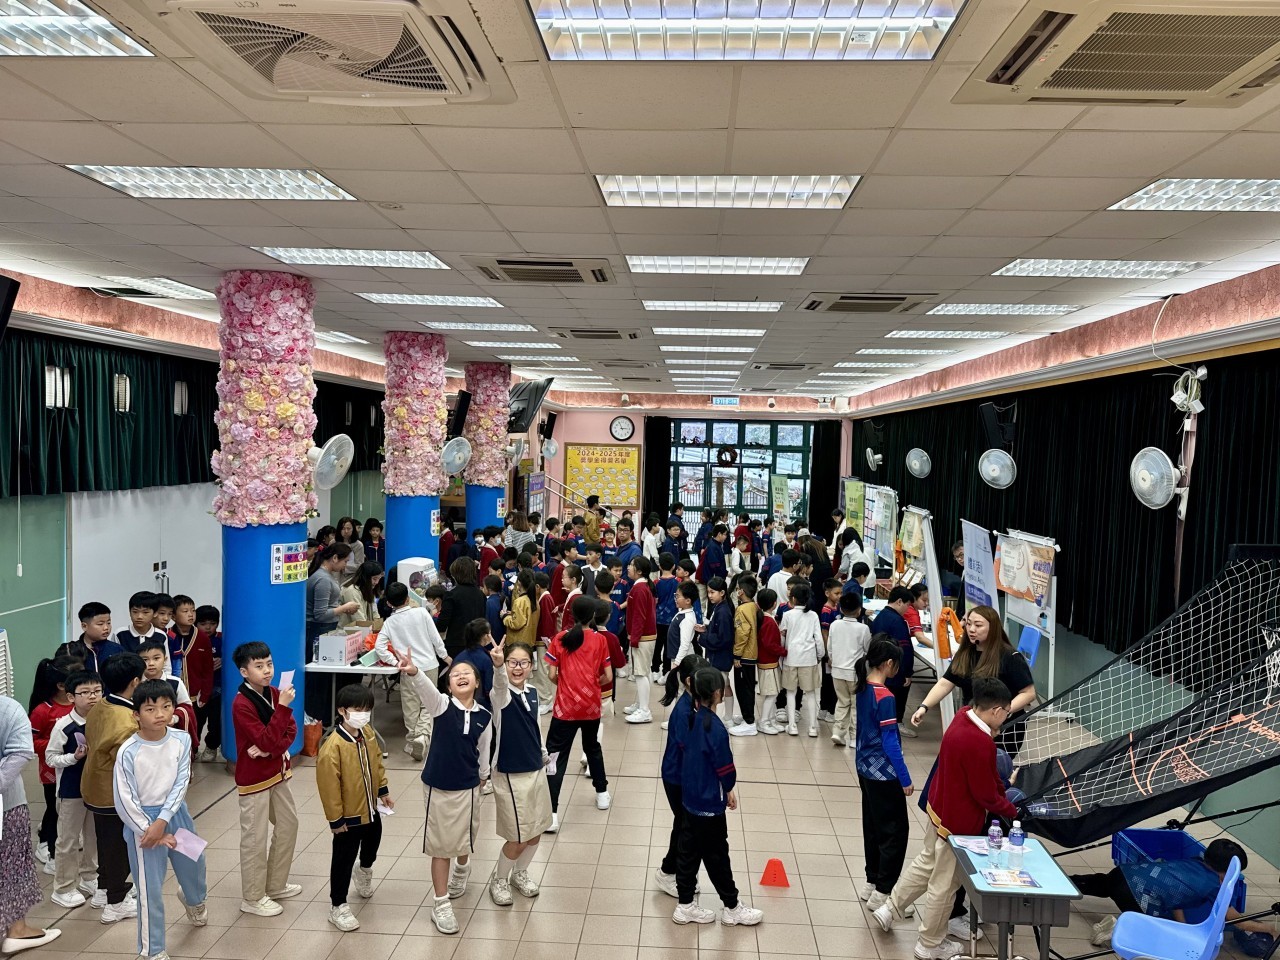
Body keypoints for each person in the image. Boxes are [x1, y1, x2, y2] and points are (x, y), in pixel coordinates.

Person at [872, 678, 1019, 960]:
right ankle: (929, 944)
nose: (1006, 718)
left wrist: (1000, 789)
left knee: (926, 862)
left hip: (939, 808)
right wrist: (1011, 808)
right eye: (1006, 713)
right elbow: (985, 795)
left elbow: (986, 777)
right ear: (996, 710)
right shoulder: (980, 742)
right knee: (945, 884)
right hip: (957, 824)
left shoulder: (962, 716)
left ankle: (890, 908)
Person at [397, 652, 493, 936]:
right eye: (455, 674)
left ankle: (462, 870)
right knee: (440, 847)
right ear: (449, 685)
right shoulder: (440, 705)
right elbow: (425, 688)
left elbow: (484, 750)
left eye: (466, 673)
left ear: (477, 682)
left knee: (464, 837)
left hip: (469, 787)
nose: (461, 676)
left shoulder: (485, 716)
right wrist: (414, 671)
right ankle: (441, 903)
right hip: (438, 786)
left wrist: (484, 776)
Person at [114, 679, 209, 960]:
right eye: (151, 709)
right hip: (142, 824)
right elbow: (124, 798)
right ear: (136, 715)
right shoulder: (128, 751)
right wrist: (149, 828)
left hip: (176, 814)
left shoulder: (181, 739)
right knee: (150, 888)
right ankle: (152, 950)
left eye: (166, 707)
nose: (160, 714)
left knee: (195, 861)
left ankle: (194, 900)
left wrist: (164, 821)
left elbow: (181, 782)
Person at [671, 667, 763, 927]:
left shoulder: (689, 717)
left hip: (689, 797)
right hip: (709, 803)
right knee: (717, 855)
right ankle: (732, 907)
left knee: (688, 852)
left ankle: (685, 904)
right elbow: (725, 767)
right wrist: (729, 787)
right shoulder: (716, 729)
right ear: (717, 694)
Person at [1071, 838, 1268, 947]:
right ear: (1229, 871)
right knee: (1154, 931)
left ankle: (1069, 882)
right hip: (1136, 895)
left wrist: (1182, 927)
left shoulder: (1194, 862)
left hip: (1124, 874)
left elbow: (1177, 899)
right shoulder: (1214, 887)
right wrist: (1271, 929)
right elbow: (1238, 922)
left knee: (1100, 884)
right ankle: (1114, 928)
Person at [231, 641, 301, 917]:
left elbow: (291, 731)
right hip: (254, 779)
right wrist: (273, 736)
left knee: (289, 824)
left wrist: (270, 749)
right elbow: (268, 737)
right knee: (254, 838)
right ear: (244, 672)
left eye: (269, 664)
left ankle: (274, 884)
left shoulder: (274, 693)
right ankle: (252, 897)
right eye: (259, 666)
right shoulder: (241, 704)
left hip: (277, 772)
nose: (267, 670)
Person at [910, 605, 1036, 755]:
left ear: (993, 628)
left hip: (1002, 728)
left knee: (993, 766)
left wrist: (1003, 713)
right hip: (972, 724)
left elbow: (1028, 693)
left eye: (978, 625)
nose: (971, 629)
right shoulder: (965, 653)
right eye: (968, 624)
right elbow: (946, 682)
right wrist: (924, 707)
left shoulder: (1010, 656)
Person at [317, 684, 391, 933]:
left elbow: (376, 762)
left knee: (372, 845)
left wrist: (383, 790)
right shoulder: (332, 747)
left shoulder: (367, 733)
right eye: (358, 710)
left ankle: (364, 870)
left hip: (370, 808)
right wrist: (336, 820)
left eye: (367, 709)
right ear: (342, 711)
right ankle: (338, 905)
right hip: (348, 817)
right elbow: (329, 788)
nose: (363, 715)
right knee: (343, 859)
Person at [486, 640, 553, 907]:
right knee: (517, 836)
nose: (518, 667)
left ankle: (520, 873)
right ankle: (499, 879)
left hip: (535, 769)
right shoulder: (500, 695)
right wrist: (498, 666)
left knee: (536, 831)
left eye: (523, 662)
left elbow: (536, 728)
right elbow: (500, 684)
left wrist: (544, 754)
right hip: (510, 774)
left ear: (531, 665)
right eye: (512, 662)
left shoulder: (533, 692)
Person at [82, 653, 145, 923]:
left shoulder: (101, 705)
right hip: (113, 792)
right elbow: (130, 762)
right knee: (119, 846)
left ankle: (103, 888)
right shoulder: (126, 719)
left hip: (95, 785)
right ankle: (116, 901)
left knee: (105, 841)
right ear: (135, 682)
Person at [543, 595, 613, 832]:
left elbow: (551, 675)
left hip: (564, 708)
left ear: (571, 614)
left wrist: (565, 686)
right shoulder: (600, 640)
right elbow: (608, 676)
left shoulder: (560, 639)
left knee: (555, 755)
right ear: (593, 616)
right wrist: (591, 685)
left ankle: (551, 813)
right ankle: (602, 793)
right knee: (592, 747)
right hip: (591, 706)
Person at [0, 693, 62, 955]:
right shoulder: (7, 708)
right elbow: (20, 751)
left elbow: (21, 751)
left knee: (11, 864)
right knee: (12, 866)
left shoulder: (7, 709)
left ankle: (16, 928)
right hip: (7, 804)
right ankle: (16, 929)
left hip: (7, 804)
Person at [855, 637, 913, 909]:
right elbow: (890, 743)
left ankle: (872, 881)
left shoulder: (863, 687)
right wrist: (905, 778)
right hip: (885, 773)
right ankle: (884, 890)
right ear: (889, 663)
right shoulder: (885, 696)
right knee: (895, 832)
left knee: (873, 826)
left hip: (864, 768)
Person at [653, 654, 712, 897]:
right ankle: (668, 871)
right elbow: (689, 750)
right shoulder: (683, 712)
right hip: (677, 777)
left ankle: (680, 871)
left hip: (686, 775)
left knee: (686, 823)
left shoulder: (696, 703)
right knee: (684, 824)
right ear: (689, 681)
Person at [45, 669, 102, 909]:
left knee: (93, 836)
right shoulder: (64, 725)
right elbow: (50, 758)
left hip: (97, 789)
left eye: (97, 691)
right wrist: (73, 757)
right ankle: (64, 887)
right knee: (68, 840)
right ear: (71, 697)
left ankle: (90, 877)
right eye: (85, 692)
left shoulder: (103, 719)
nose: (92, 696)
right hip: (71, 791)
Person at [375, 581, 450, 761]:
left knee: (410, 706)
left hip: (407, 668)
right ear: (408, 598)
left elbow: (379, 647)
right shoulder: (422, 613)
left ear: (389, 603)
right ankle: (422, 736)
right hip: (429, 664)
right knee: (428, 702)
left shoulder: (389, 622)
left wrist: (396, 662)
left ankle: (412, 740)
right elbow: (435, 638)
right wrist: (445, 656)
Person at [28, 657, 76, 874]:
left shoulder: (78, 706)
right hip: (52, 771)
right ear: (61, 685)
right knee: (54, 808)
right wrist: (57, 744)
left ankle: (62, 845)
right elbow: (31, 742)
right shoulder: (42, 711)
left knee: (68, 810)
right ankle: (46, 844)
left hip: (75, 767)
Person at [780, 583, 825, 737]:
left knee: (790, 692)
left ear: (793, 598)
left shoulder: (787, 615)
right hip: (809, 659)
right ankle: (812, 727)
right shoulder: (813, 616)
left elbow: (782, 637)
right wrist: (820, 655)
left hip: (791, 658)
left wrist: (781, 655)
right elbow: (818, 639)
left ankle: (792, 725)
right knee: (811, 693)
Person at [872, 586, 917, 734]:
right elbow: (904, 648)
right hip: (895, 668)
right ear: (899, 601)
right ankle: (896, 723)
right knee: (898, 696)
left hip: (880, 665)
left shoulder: (880, 616)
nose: (907, 609)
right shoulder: (897, 621)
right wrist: (907, 672)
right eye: (907, 605)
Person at [829, 592, 871, 746]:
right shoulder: (863, 628)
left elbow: (830, 648)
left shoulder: (834, 625)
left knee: (842, 702)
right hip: (855, 673)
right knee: (856, 705)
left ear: (841, 609)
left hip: (837, 670)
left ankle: (838, 732)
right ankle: (854, 737)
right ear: (859, 610)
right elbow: (867, 649)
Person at [624, 556, 658, 723]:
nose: (628, 567)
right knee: (643, 671)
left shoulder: (639, 589)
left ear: (639, 571)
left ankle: (644, 710)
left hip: (643, 637)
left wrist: (635, 638)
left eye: (631, 565)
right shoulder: (642, 587)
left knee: (640, 673)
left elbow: (639, 616)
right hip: (645, 636)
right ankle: (640, 703)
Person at [699, 578, 736, 722]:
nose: (709, 595)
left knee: (715, 690)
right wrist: (706, 629)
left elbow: (723, 638)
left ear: (722, 592)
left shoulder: (723, 612)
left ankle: (715, 719)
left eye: (712, 592)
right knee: (725, 685)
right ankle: (728, 717)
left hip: (720, 657)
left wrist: (703, 637)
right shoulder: (719, 607)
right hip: (720, 656)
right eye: (708, 592)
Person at [437, 558, 488, 658]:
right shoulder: (480, 594)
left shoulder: (451, 595)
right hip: (476, 642)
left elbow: (442, 624)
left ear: (456, 574)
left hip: (456, 644)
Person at [728, 575, 759, 737]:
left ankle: (749, 722)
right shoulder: (753, 606)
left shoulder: (741, 610)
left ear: (741, 591)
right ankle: (747, 717)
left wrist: (737, 654)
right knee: (748, 687)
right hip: (752, 652)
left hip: (744, 655)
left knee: (743, 689)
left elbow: (742, 633)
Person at [753, 589, 785, 735]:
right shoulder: (769, 621)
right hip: (768, 662)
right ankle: (764, 721)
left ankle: (771, 719)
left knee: (773, 692)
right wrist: (784, 651)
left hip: (767, 662)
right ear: (774, 603)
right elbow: (769, 644)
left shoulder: (764, 619)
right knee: (771, 694)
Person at [58, 602, 122, 674]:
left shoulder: (117, 649)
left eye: (108, 623)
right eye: (100, 624)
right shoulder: (72, 651)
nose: (106, 627)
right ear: (84, 626)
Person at [193, 605, 223, 763]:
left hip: (218, 688)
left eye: (212, 623)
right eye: (203, 623)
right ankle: (193, 748)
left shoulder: (223, 638)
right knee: (196, 721)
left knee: (216, 722)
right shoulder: (193, 638)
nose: (208, 627)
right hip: (198, 689)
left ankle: (211, 746)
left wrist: (223, 660)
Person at [454, 619, 497, 714]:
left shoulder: (458, 657)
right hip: (481, 706)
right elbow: (489, 688)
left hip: (459, 703)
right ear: (486, 636)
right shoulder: (486, 659)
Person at [665, 581, 701, 682]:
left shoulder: (687, 619)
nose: (675, 599)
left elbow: (685, 644)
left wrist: (677, 662)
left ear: (688, 601)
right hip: (678, 657)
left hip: (683, 659)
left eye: (678, 596)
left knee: (681, 686)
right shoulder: (682, 613)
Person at [340, 561, 383, 626]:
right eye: (374, 579)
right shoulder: (352, 591)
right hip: (349, 630)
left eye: (379, 578)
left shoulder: (369, 588)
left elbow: (375, 613)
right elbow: (359, 619)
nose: (377, 582)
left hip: (364, 628)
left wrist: (379, 626)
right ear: (365, 577)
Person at [482, 575, 507, 646]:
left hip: (493, 640)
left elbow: (489, 623)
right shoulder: (503, 598)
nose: (483, 589)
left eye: (484, 587)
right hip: (502, 637)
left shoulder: (489, 603)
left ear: (489, 589)